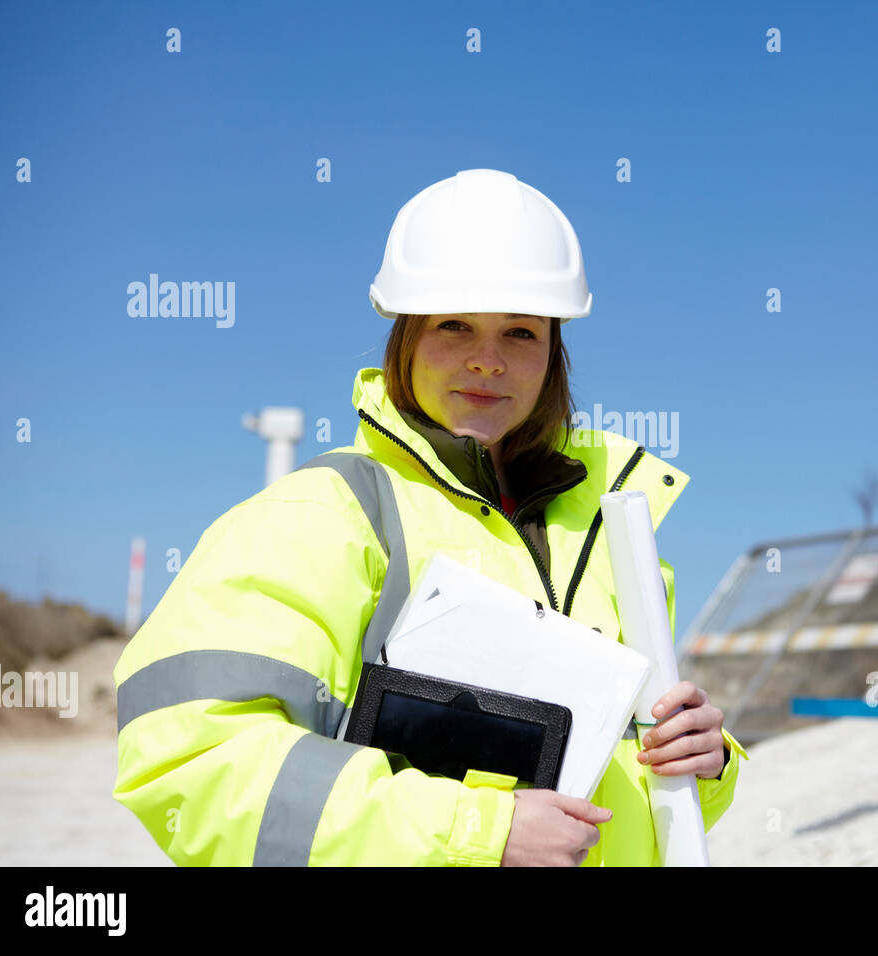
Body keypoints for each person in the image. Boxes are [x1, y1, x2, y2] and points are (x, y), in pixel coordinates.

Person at [112, 168, 748, 866]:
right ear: (405, 338)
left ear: (554, 353)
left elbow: (631, 788)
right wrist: (475, 830)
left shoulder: (613, 534)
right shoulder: (324, 514)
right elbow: (190, 757)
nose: (488, 361)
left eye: (521, 333)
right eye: (454, 324)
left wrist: (706, 762)